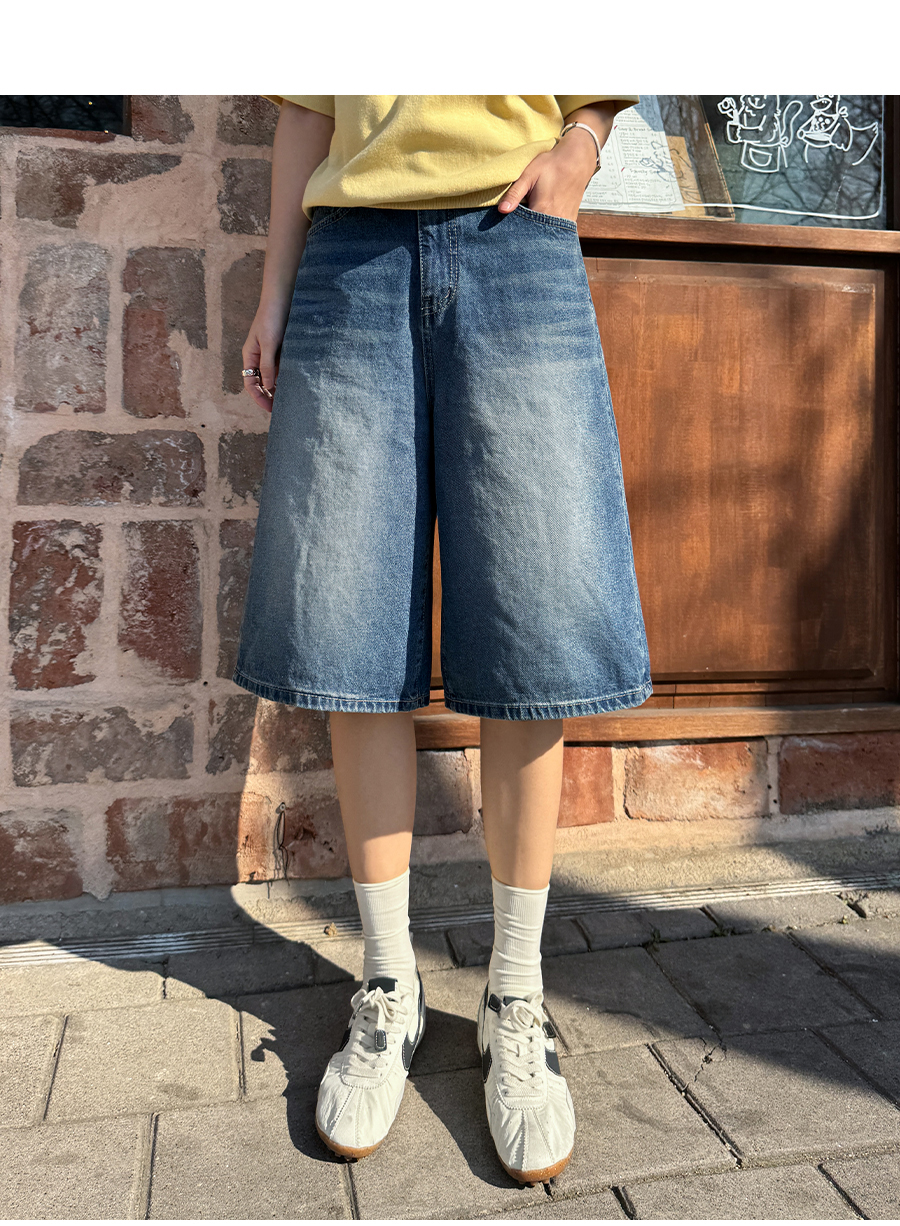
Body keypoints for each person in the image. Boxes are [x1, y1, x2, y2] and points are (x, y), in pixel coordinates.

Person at [234, 95, 652, 1184]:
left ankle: (516, 992)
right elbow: (302, 113)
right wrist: (274, 293)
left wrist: (580, 147)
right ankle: (388, 984)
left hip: (518, 248)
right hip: (351, 261)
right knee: (348, 625)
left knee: (533, 628)